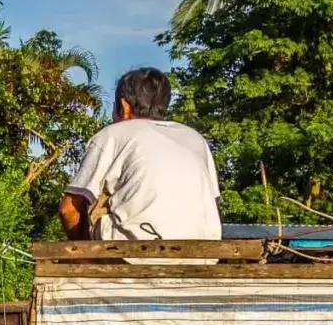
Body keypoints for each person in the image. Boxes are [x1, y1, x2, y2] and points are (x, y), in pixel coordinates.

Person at [59, 67, 221, 243]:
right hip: (201, 256)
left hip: (133, 254)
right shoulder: (195, 139)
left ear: (124, 106)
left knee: (95, 197)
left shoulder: (113, 134)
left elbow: (68, 210)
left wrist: (84, 255)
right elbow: (214, 205)